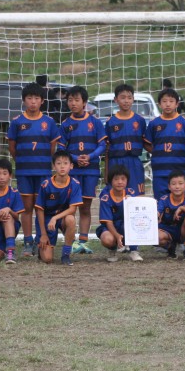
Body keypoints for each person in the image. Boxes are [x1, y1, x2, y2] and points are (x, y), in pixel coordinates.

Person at [8, 82, 61, 257]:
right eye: (29, 98)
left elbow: (52, 146)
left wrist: (43, 160)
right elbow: (12, 147)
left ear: (42, 101)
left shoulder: (49, 122)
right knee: (26, 208)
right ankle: (28, 241)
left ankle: (41, 239)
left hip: (43, 171)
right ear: (24, 101)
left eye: (36, 98)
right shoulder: (17, 122)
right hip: (24, 171)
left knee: (41, 207)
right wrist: (23, 161)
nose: (33, 102)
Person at [59, 86, 106, 255]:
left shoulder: (95, 122)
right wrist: (73, 158)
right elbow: (60, 147)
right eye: (70, 100)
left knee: (85, 207)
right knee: (68, 207)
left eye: (76, 100)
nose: (73, 103)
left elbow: (102, 145)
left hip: (91, 170)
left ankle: (84, 241)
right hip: (72, 171)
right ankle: (69, 240)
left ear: (84, 103)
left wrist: (91, 156)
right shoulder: (65, 124)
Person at [144, 88, 185, 200]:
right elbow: (147, 143)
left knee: (180, 202)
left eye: (171, 101)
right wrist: (158, 152)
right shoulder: (154, 123)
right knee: (160, 203)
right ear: (159, 104)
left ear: (177, 103)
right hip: (159, 172)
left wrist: (181, 153)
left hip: (179, 170)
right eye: (164, 101)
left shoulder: (184, 123)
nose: (168, 104)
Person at [34, 150, 82, 266]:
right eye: (59, 163)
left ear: (71, 166)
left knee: (71, 219)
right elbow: (39, 210)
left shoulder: (75, 184)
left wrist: (55, 218)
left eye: (65, 163)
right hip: (46, 219)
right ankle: (40, 242)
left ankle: (66, 255)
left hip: (61, 218)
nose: (62, 166)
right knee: (47, 259)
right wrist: (44, 234)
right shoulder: (46, 184)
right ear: (54, 166)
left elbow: (72, 209)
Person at [104, 83, 147, 196]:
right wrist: (106, 173)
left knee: (137, 197)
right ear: (116, 100)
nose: (126, 101)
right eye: (122, 98)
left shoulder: (140, 120)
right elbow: (106, 149)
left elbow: (146, 143)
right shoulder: (110, 122)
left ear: (133, 99)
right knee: (116, 197)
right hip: (116, 162)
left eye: (129, 97)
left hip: (134, 161)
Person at [96, 165, 142, 263]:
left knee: (136, 224)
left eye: (123, 179)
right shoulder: (105, 198)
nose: (120, 182)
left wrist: (132, 202)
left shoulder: (131, 193)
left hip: (127, 225)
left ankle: (134, 250)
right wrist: (117, 235)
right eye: (116, 179)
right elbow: (108, 222)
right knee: (107, 239)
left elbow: (138, 215)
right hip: (111, 227)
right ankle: (112, 250)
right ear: (110, 181)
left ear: (127, 181)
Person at [157, 169, 185, 261]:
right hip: (167, 230)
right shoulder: (164, 199)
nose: (177, 186)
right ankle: (170, 247)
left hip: (183, 231)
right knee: (155, 237)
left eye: (180, 183)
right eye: (174, 184)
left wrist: (182, 208)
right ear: (169, 186)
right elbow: (157, 213)